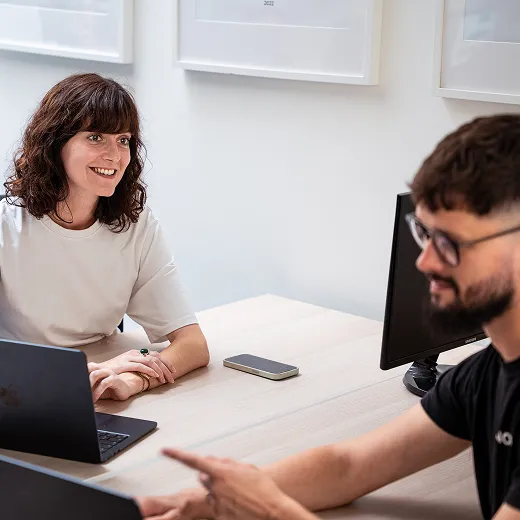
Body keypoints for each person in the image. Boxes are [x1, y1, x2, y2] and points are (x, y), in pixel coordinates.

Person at [137, 114, 520, 520]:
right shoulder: (487, 374)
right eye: (424, 234)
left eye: (448, 242)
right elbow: (349, 466)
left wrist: (270, 510)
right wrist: (199, 502)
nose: (424, 262)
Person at [1, 73, 209, 402]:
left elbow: (193, 345)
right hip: (20, 395)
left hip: (96, 392)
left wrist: (131, 379)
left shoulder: (137, 226)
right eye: (96, 137)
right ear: (55, 144)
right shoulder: (6, 228)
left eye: (123, 139)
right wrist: (102, 368)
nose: (114, 155)